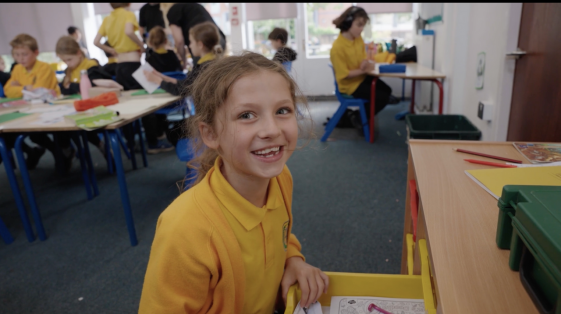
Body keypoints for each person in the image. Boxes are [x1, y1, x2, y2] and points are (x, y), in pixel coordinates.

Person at [138, 52, 329, 314]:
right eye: (247, 115)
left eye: (282, 111)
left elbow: (279, 235)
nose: (271, 130)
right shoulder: (184, 228)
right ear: (210, 133)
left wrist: (293, 259)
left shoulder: (280, 178)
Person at [94, 3, 172, 153]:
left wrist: (111, 50)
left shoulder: (108, 19)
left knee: (127, 105)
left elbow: (96, 42)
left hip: (120, 67)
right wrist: (141, 45)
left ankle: (130, 143)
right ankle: (153, 143)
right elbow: (129, 31)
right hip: (133, 65)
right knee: (147, 105)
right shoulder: (128, 14)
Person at [330, 6, 396, 131]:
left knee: (387, 90)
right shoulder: (337, 48)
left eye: (363, 25)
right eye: (359, 25)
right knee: (382, 98)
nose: (361, 29)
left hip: (361, 77)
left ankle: (359, 115)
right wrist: (364, 70)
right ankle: (359, 117)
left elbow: (362, 58)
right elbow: (344, 75)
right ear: (348, 22)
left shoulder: (357, 39)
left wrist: (365, 62)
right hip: (350, 85)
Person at [144, 21, 221, 96]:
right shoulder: (211, 62)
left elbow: (180, 89)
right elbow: (184, 83)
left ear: (200, 45)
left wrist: (157, 80)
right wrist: (162, 77)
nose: (190, 46)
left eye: (191, 42)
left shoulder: (203, 68)